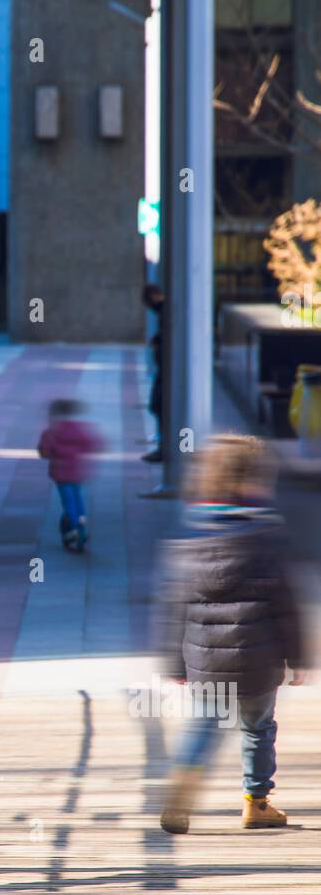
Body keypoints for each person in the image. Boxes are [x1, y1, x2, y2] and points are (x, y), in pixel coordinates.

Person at [156, 434, 308, 834]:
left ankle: (181, 789)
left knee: (203, 725)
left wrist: (174, 662)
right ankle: (256, 802)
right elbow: (286, 605)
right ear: (252, 482)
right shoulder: (266, 537)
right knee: (258, 728)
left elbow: (174, 608)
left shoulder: (189, 536)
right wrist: (300, 657)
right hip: (259, 660)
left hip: (206, 661)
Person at [37, 399, 102, 552]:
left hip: (60, 473)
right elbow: (90, 445)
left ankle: (74, 526)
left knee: (67, 501)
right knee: (77, 498)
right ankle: (81, 521)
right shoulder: (78, 429)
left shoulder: (51, 432)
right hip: (76, 471)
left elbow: (44, 452)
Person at [142, 283, 164, 463]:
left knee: (159, 405)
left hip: (167, 372)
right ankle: (164, 445)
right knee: (157, 405)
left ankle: (166, 448)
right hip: (164, 370)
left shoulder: (167, 311)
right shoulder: (165, 311)